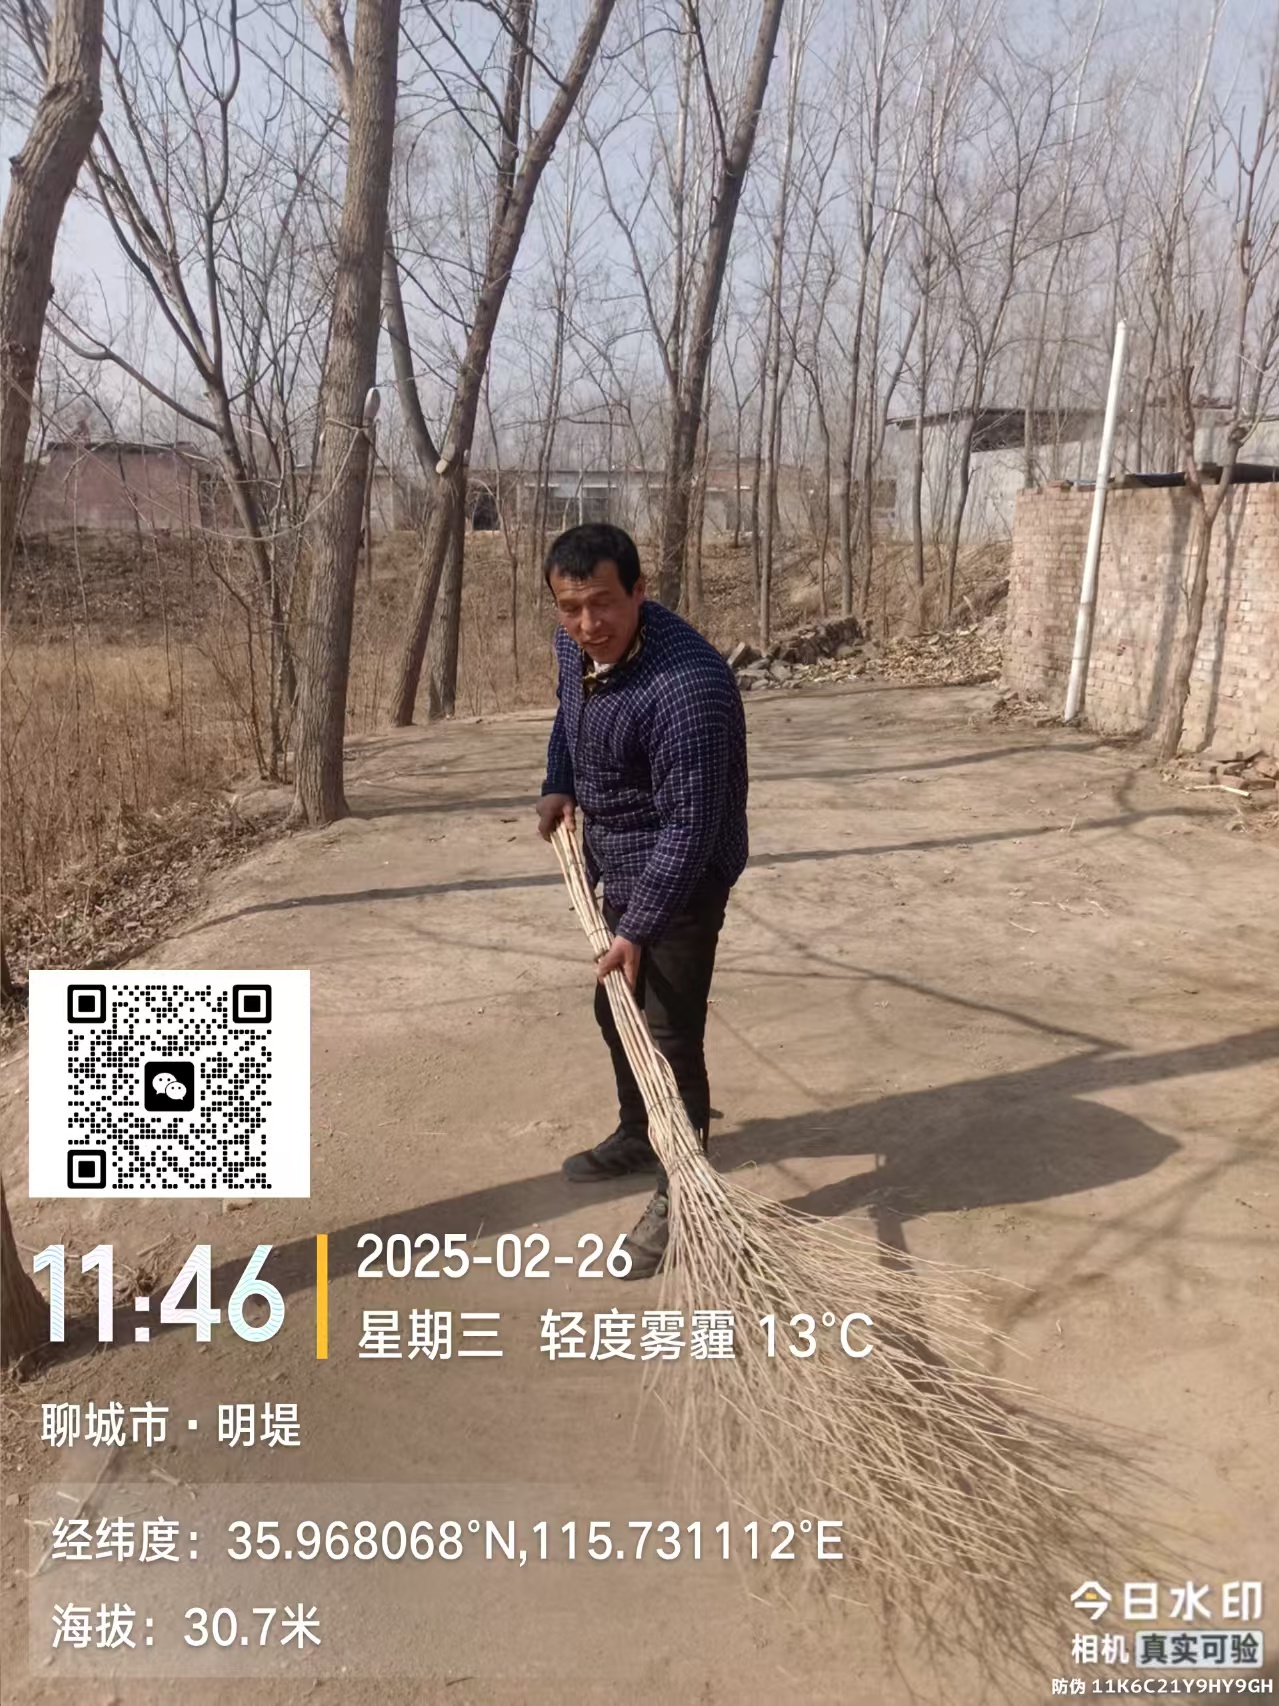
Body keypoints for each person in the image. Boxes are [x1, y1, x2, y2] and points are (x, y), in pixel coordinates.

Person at [535, 523, 749, 1279]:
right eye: (570, 607)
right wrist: (558, 781)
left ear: (638, 591)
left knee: (667, 1036)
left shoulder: (687, 688)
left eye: (603, 603)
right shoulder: (576, 649)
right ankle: (639, 1131)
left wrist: (638, 930)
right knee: (613, 1011)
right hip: (618, 863)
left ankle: (682, 1191)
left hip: (686, 876)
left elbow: (690, 828)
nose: (588, 623)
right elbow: (569, 713)